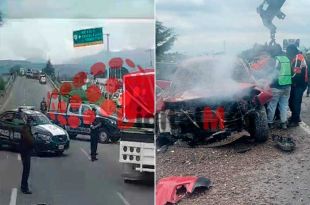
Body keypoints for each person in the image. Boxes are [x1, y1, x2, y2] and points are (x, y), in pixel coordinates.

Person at [267, 44, 292, 129]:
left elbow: (269, 72)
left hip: (276, 86)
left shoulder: (274, 60)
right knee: (284, 105)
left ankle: (270, 123)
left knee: (272, 105)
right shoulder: (287, 59)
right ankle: (283, 123)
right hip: (287, 85)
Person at [286, 44, 309, 127]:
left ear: (292, 50)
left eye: (288, 51)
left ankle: (295, 121)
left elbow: (295, 74)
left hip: (299, 84)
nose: (287, 53)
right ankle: (295, 117)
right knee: (291, 100)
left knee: (295, 101)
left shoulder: (298, 58)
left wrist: (289, 81)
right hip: (298, 83)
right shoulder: (296, 57)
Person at [20, 115, 34, 194]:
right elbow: (30, 141)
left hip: (24, 151)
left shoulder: (26, 128)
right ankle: (24, 188)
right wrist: (33, 139)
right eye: (31, 121)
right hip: (26, 152)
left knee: (26, 170)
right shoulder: (26, 129)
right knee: (26, 170)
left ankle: (24, 186)